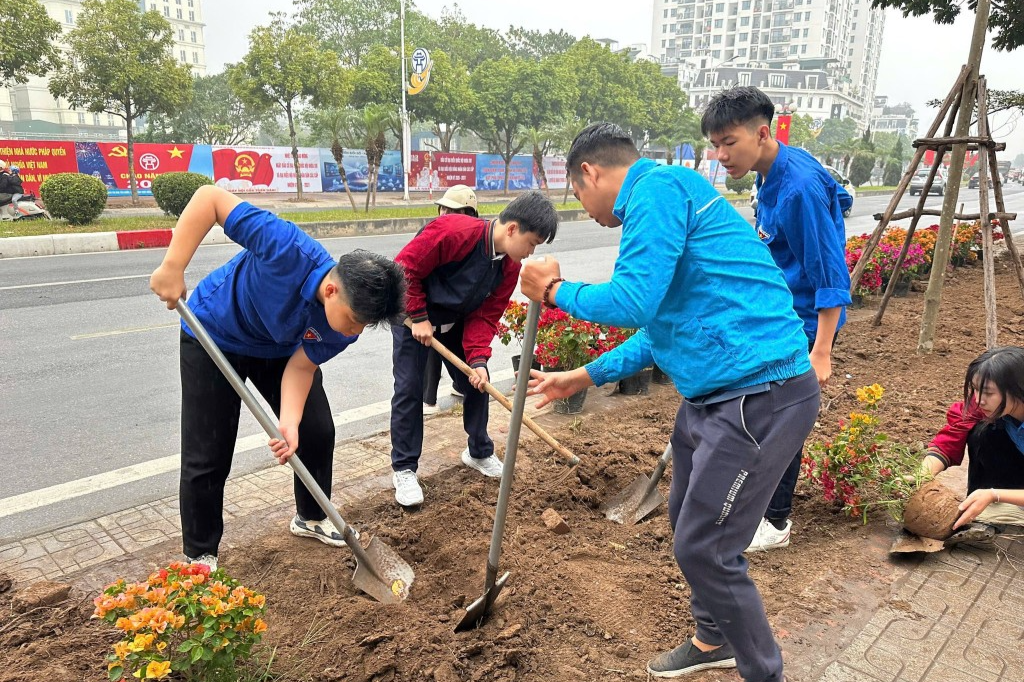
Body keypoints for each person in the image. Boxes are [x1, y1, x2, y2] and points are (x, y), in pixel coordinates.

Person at [521, 123, 816, 682]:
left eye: (578, 196)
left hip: (760, 394)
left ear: (591, 172)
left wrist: (556, 292)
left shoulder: (657, 190)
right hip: (713, 396)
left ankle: (765, 672)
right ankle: (712, 640)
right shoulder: (670, 198)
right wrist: (581, 376)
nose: (584, 210)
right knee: (687, 521)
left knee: (706, 547)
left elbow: (631, 301)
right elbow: (659, 327)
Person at [149, 185, 406, 571]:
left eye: (363, 326)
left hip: (279, 348)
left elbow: (301, 367)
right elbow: (210, 199)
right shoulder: (286, 246)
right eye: (354, 320)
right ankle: (199, 554)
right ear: (331, 289)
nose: (354, 332)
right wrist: (173, 265)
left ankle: (311, 517)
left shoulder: (342, 328)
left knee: (316, 430)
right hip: (215, 334)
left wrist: (288, 423)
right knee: (208, 451)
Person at [701, 86, 853, 553]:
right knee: (763, 412)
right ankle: (760, 499)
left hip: (804, 321)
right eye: (714, 143)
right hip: (776, 309)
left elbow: (829, 273)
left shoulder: (798, 189)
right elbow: (841, 198)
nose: (720, 155)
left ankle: (776, 519)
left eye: (728, 142)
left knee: (780, 417)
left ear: (762, 133)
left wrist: (821, 350)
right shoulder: (772, 170)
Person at [390, 190, 559, 507]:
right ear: (511, 229)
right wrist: (420, 316)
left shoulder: (509, 265)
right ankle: (404, 469)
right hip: (414, 320)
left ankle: (478, 452)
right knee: (409, 390)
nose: (530, 252)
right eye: (531, 243)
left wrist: (479, 359)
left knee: (478, 382)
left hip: (457, 321)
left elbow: (486, 314)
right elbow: (405, 269)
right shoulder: (453, 231)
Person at [921, 346, 1024, 544]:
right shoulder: (990, 407)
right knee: (982, 432)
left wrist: (994, 494)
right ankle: (983, 506)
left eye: (987, 393)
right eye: (976, 390)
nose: (979, 400)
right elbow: (953, 433)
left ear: (1018, 390)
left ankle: (995, 506)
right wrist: (923, 475)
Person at [422, 186, 478, 415]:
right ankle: (427, 398)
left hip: (456, 315)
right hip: (426, 313)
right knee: (430, 347)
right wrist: (419, 316)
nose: (444, 215)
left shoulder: (477, 243)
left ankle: (459, 386)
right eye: (443, 209)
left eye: (452, 210)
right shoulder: (430, 234)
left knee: (468, 370)